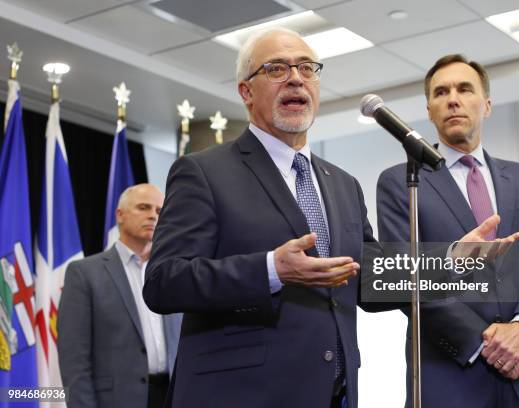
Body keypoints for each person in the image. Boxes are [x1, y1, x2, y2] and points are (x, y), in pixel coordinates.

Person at [142, 27, 385, 408]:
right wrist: (271, 269)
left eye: (307, 68)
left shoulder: (343, 184)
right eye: (276, 69)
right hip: (241, 395)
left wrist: (448, 263)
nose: (295, 78)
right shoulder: (203, 172)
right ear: (246, 91)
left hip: (333, 395)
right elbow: (163, 281)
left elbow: (367, 275)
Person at [377, 54, 519, 408]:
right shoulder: (402, 182)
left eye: (465, 89)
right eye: (441, 92)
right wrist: (488, 343)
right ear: (430, 110)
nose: (453, 98)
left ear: (487, 105)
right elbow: (404, 277)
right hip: (449, 378)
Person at [58, 184, 182, 408]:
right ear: (120, 215)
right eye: (144, 208)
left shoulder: (172, 273)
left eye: (159, 211)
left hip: (172, 398)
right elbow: (75, 362)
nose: (153, 216)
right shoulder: (85, 273)